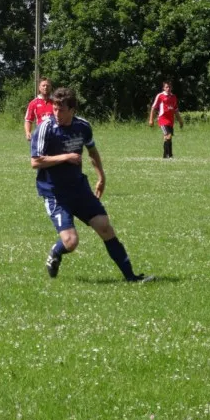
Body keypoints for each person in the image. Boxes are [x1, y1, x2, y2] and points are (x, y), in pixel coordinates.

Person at [30, 87, 153, 283]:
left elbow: (92, 151)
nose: (56, 113)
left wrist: (101, 177)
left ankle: (131, 277)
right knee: (71, 242)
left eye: (61, 110)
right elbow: (35, 161)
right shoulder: (45, 128)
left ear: (72, 110)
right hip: (55, 193)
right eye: (54, 109)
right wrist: (66, 157)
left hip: (79, 189)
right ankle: (56, 252)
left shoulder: (83, 126)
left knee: (104, 227)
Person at [148, 81, 184, 158]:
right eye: (166, 87)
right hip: (162, 119)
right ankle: (170, 155)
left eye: (169, 87)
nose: (168, 88)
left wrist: (180, 121)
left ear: (171, 88)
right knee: (168, 135)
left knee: (167, 137)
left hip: (170, 120)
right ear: (163, 88)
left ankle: (165, 156)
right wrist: (151, 120)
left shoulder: (173, 97)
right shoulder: (160, 96)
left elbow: (176, 110)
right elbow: (153, 108)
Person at [24, 77, 54, 141]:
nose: (45, 87)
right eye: (43, 85)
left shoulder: (56, 102)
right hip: (40, 136)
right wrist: (28, 132)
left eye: (47, 85)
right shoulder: (33, 103)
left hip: (55, 135)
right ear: (39, 87)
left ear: (51, 87)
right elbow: (28, 120)